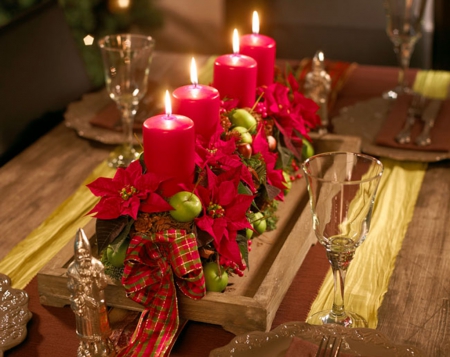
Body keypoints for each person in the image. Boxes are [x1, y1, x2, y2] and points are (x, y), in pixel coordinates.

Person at [67, 229, 115, 357]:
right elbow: (70, 286)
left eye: (85, 253)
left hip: (97, 304)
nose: (83, 257)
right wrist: (77, 288)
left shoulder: (97, 265)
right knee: (85, 330)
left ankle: (104, 346)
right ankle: (87, 348)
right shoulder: (72, 269)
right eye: (80, 254)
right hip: (83, 307)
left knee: (100, 328)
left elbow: (103, 284)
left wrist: (97, 277)